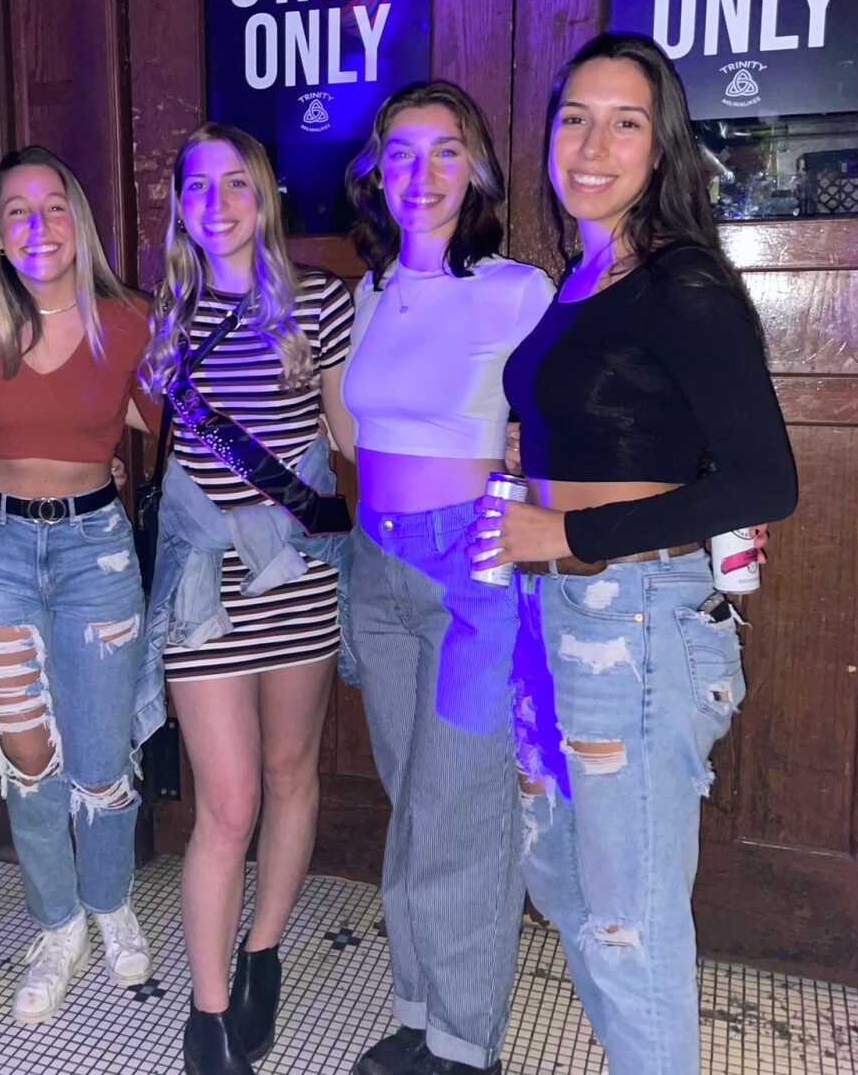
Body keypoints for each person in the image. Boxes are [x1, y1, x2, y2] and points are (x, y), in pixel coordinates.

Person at [474, 32, 798, 1075]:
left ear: (661, 149)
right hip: (557, 611)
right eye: (574, 118)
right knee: (558, 872)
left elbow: (764, 482)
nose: (592, 145)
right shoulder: (584, 278)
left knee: (628, 918)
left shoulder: (682, 282)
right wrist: (539, 454)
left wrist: (568, 531)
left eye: (624, 124)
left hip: (637, 618)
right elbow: (634, 420)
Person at [339, 81, 556, 1075]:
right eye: (400, 152)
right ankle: (421, 1013)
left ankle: (465, 1049)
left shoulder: (515, 290)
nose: (420, 173)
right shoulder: (372, 290)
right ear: (375, 173)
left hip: (469, 569)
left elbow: (560, 423)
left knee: (461, 807)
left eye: (444, 151)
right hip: (376, 563)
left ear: (476, 171)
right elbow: (359, 429)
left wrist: (518, 481)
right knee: (413, 801)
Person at [138, 124, 356, 1075]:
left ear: (263, 194)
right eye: (199, 186)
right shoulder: (165, 316)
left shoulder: (320, 302)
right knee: (227, 804)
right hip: (204, 586)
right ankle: (209, 1010)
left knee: (290, 769)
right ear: (180, 205)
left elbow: (349, 438)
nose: (217, 203)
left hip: (296, 578)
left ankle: (263, 950)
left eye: (235, 183)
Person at [0, 145, 162, 1029]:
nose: (37, 225)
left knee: (100, 759)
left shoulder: (131, 320)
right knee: (28, 757)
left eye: (54, 206)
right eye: (16, 211)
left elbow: (164, 420)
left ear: (80, 221)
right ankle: (57, 923)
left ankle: (110, 900)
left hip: (94, 550)